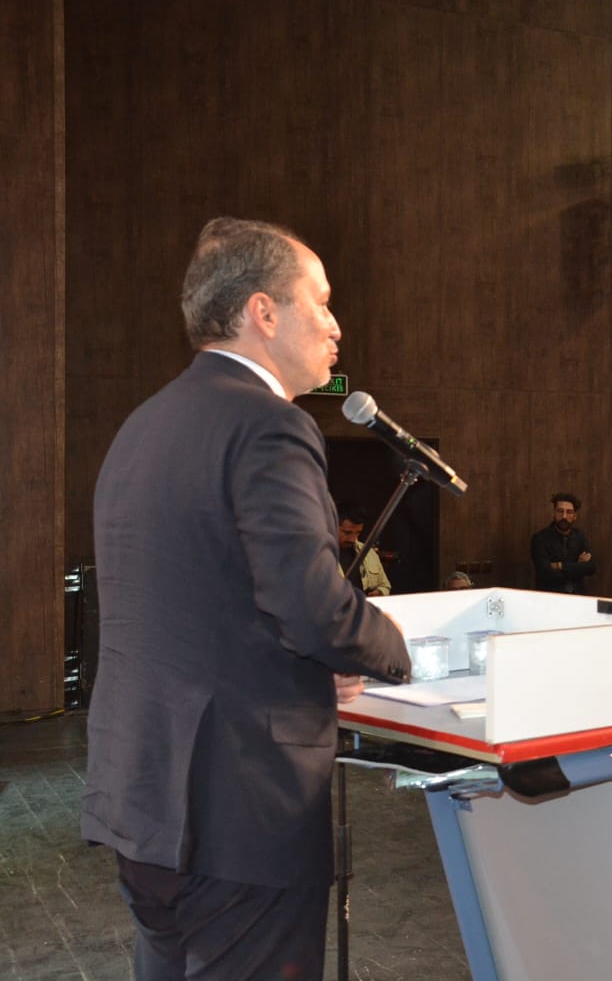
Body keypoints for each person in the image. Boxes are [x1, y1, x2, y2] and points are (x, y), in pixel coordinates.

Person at [83, 217, 413, 979]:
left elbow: (199, 606)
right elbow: (313, 608)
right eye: (320, 300)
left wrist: (306, 663)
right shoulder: (270, 426)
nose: (335, 323)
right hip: (240, 816)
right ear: (263, 312)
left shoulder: (143, 425)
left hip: (145, 803)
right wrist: (398, 647)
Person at [531, 492, 594, 593]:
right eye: (560, 511)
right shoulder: (540, 538)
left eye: (569, 512)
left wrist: (560, 565)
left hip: (577, 596)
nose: (564, 516)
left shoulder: (580, 536)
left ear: (575, 516)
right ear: (554, 513)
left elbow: (591, 568)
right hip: (550, 596)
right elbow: (546, 573)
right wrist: (578, 566)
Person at [336, 504, 392, 596]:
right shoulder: (319, 556)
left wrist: (379, 592)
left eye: (358, 532)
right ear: (332, 526)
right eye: (347, 533)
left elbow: (385, 585)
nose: (353, 539)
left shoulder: (368, 552)